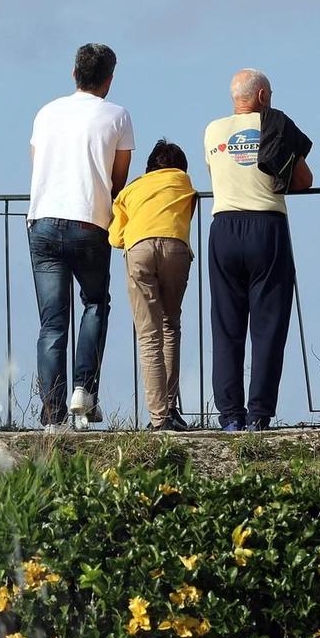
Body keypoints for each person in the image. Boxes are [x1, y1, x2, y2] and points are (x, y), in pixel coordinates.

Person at [26, 43, 132, 428]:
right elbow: (118, 179)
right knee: (95, 304)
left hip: (43, 222)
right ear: (109, 79)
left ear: (74, 74)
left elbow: (37, 162)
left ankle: (52, 414)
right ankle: (83, 390)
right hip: (89, 222)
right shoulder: (117, 116)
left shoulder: (46, 112)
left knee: (52, 322)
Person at [202, 69, 312, 431]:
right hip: (266, 227)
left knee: (227, 327)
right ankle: (259, 414)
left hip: (224, 227)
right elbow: (303, 181)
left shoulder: (213, 130)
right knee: (268, 326)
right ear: (263, 96)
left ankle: (229, 416)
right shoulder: (277, 126)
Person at [109, 139, 197, 430]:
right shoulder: (185, 183)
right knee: (171, 325)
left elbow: (114, 238)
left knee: (148, 336)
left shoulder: (130, 190)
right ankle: (171, 409)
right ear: (180, 168)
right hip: (175, 248)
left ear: (148, 169)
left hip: (139, 249)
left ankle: (158, 418)